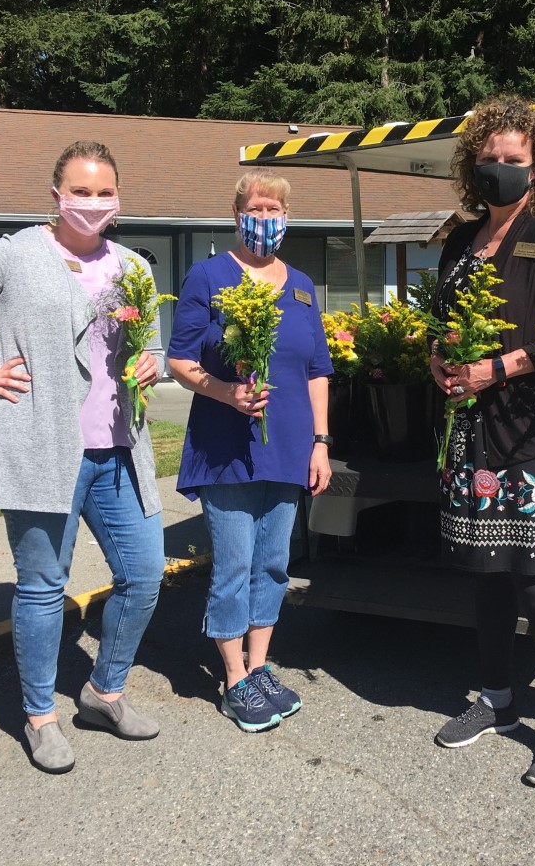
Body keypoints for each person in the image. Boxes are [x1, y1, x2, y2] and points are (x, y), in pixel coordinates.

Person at [0, 141, 167, 774]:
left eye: (105, 192)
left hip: (119, 450)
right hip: (39, 449)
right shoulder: (16, 255)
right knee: (45, 588)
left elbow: (147, 337)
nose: (94, 203)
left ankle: (104, 692)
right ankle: (41, 717)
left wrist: (149, 359)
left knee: (146, 573)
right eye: (82, 190)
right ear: (56, 195)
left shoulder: (134, 265)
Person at [429, 96, 535, 788]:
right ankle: (496, 699)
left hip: (532, 432)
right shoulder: (460, 239)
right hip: (470, 434)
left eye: (513, 161)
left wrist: (495, 368)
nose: (500, 169)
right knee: (487, 572)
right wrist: (439, 361)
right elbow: (439, 322)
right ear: (474, 165)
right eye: (490, 159)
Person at [167, 171, 333, 733]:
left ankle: (260, 666)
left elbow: (317, 370)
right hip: (226, 448)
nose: (266, 216)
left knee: (274, 563)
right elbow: (180, 360)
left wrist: (321, 442)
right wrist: (226, 392)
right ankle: (234, 678)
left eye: (275, 207)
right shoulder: (208, 276)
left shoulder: (304, 286)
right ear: (237, 212)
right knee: (234, 565)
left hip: (288, 445)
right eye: (256, 206)